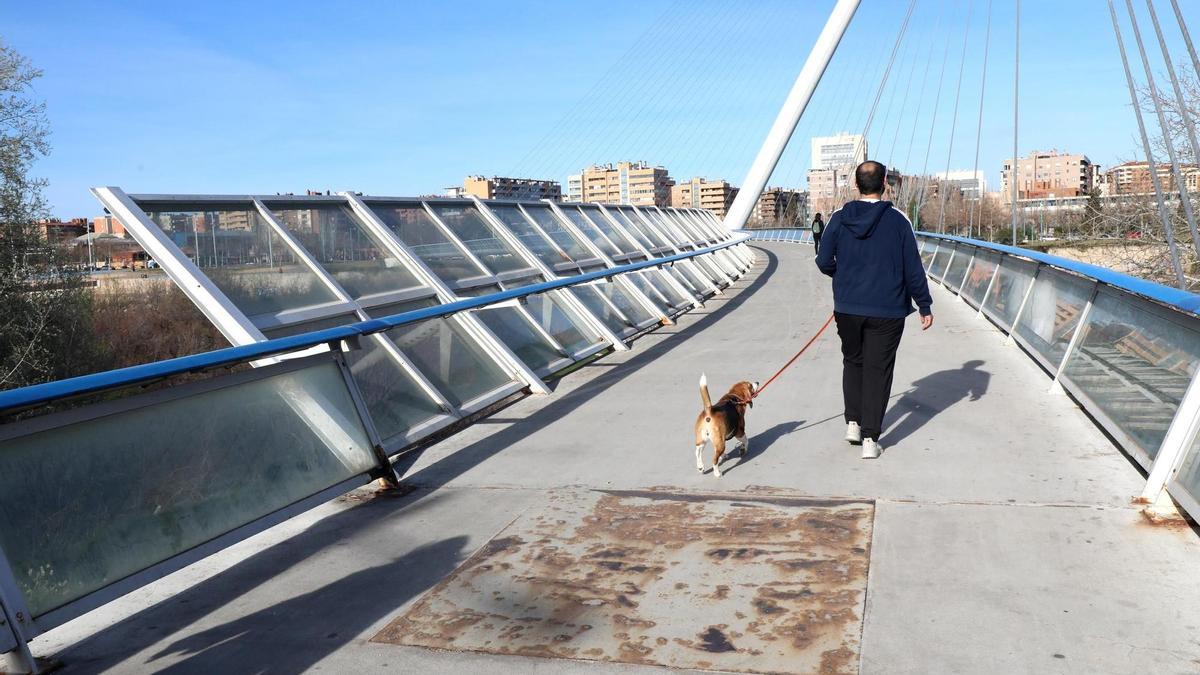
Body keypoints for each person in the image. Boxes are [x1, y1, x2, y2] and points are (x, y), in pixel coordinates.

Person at [814, 160, 933, 459]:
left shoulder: (839, 218)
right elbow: (912, 268)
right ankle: (870, 439)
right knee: (878, 370)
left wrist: (842, 278)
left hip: (848, 308)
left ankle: (853, 423)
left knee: (853, 362)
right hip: (888, 310)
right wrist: (924, 304)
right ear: (885, 186)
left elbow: (823, 260)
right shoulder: (899, 221)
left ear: (856, 185)